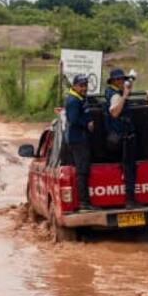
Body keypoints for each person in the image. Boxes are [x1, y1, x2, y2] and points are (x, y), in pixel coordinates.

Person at [104, 68, 138, 206]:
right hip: (123, 138)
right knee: (129, 168)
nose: (121, 81)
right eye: (118, 79)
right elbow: (114, 112)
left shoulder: (114, 91)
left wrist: (129, 81)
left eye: (122, 79)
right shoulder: (115, 95)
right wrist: (124, 96)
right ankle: (130, 200)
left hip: (119, 136)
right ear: (113, 81)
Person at [64, 74, 95, 209]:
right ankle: (83, 202)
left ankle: (84, 201)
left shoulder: (80, 98)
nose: (84, 88)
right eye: (81, 86)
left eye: (85, 85)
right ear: (75, 86)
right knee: (82, 171)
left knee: (84, 169)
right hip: (77, 140)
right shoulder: (73, 101)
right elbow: (73, 119)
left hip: (81, 138)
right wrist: (87, 124)